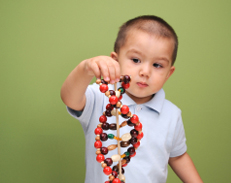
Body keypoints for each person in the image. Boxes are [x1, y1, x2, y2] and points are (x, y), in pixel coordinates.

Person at [61, 15, 203, 183]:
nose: (145, 72)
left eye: (157, 65)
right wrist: (85, 68)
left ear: (168, 74)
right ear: (115, 61)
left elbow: (178, 157)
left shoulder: (172, 115)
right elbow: (69, 98)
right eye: (136, 60)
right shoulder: (101, 98)